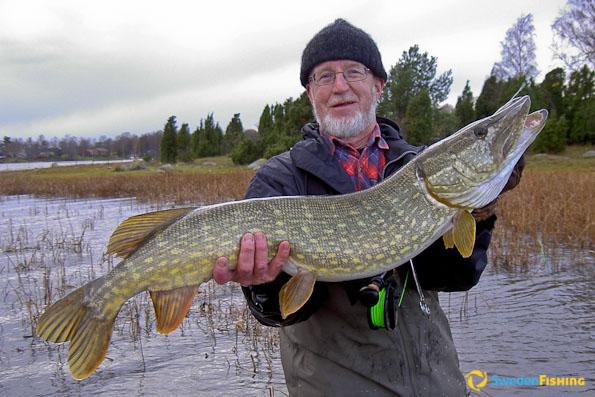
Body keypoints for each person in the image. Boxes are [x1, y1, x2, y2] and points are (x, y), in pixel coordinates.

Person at [213, 18, 524, 396]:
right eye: (324, 77)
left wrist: (482, 209)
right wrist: (265, 283)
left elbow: (457, 277)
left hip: (435, 379)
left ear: (378, 85)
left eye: (353, 72)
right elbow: (276, 312)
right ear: (311, 94)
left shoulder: (416, 165)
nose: (340, 86)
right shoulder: (281, 179)